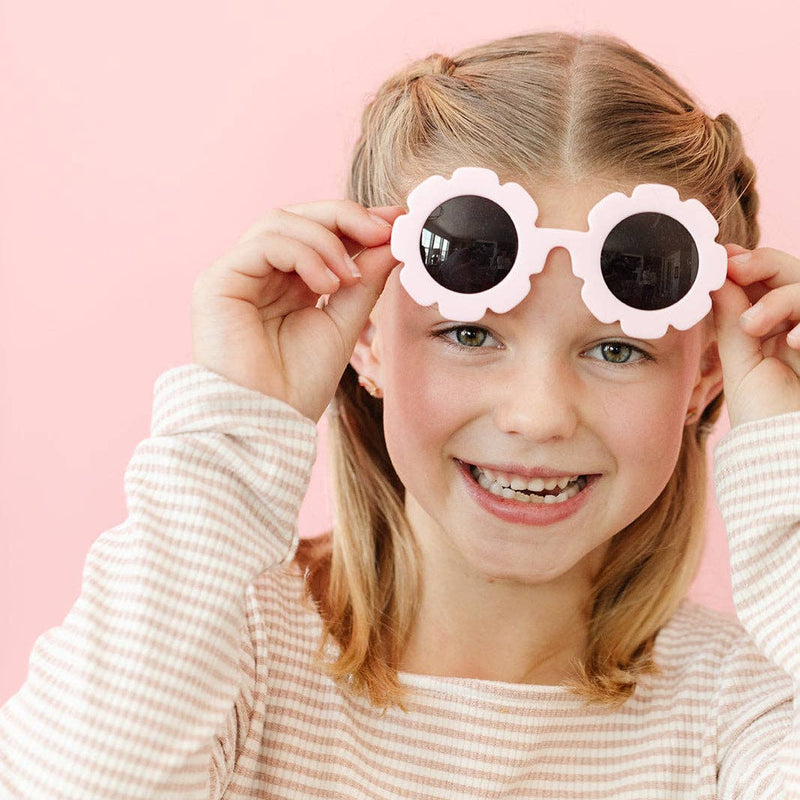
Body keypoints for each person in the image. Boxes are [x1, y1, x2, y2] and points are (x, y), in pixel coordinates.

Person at [2, 30, 799, 799]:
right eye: (469, 333)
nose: (538, 415)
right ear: (365, 338)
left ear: (706, 374)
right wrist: (236, 430)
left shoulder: (744, 712)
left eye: (617, 350)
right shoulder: (214, 651)